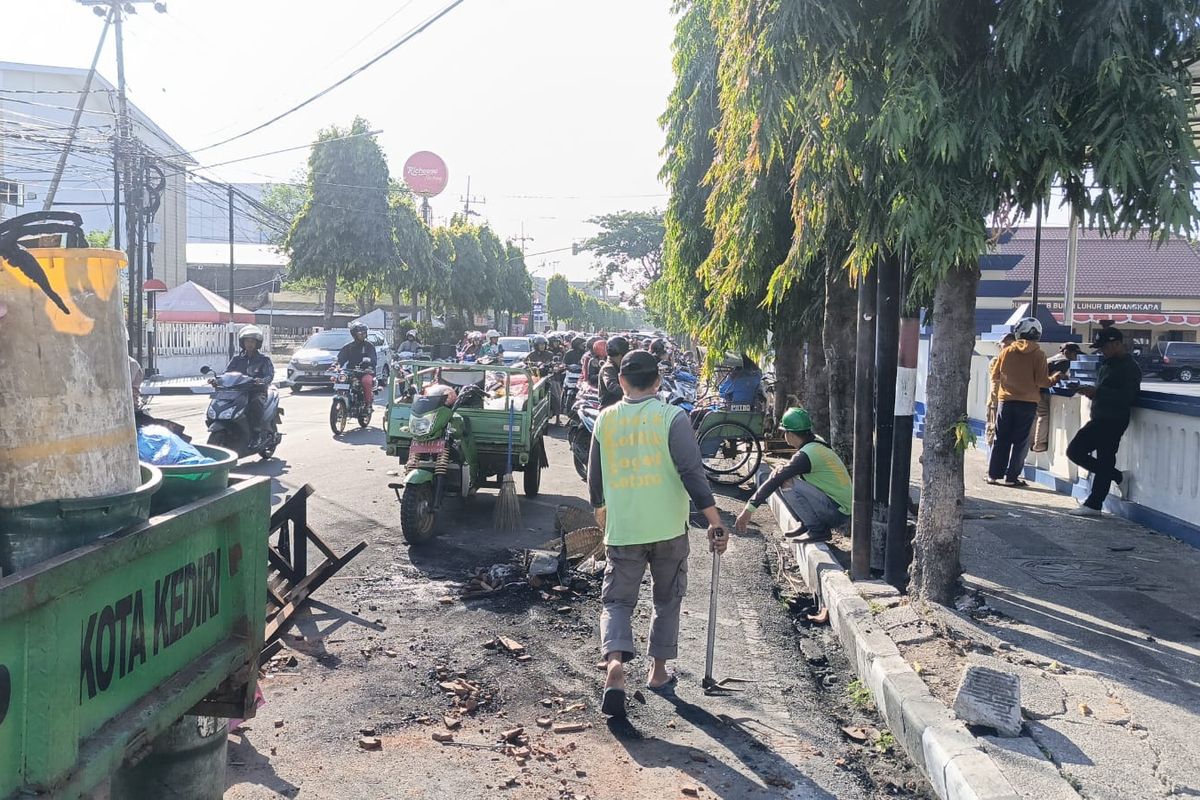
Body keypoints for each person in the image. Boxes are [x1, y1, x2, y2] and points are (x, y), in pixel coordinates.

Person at [587, 350, 727, 718]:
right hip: (668, 529)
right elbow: (692, 472)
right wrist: (714, 519)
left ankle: (615, 663)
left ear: (621, 382)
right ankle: (658, 671)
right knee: (667, 599)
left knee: (617, 601)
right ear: (658, 382)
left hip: (624, 530)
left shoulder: (604, 420)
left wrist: (603, 512)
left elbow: (594, 482)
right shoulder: (672, 418)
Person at [734, 407, 851, 543]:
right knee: (783, 475)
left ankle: (817, 530)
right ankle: (806, 523)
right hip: (839, 508)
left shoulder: (807, 454)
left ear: (789, 434)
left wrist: (748, 510)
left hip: (837, 512)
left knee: (786, 483)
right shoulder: (816, 442)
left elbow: (776, 480)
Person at [1066, 327, 1141, 516]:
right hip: (1100, 416)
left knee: (1078, 451)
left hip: (1114, 419)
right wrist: (1091, 392)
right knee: (1100, 458)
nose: (1102, 351)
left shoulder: (1129, 367)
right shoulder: (1107, 364)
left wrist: (1097, 392)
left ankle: (1096, 501)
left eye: (1105, 347)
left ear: (1117, 344)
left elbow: (1127, 396)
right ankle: (1101, 495)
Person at [986, 318, 1066, 486]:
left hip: (1006, 401)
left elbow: (995, 375)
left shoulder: (1006, 352)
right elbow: (1042, 382)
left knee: (1001, 439)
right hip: (1028, 403)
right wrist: (1055, 378)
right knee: (1020, 442)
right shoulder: (1039, 354)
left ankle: (993, 475)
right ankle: (1012, 478)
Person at [218, 325, 275, 447]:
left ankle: (256, 435)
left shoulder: (264, 360)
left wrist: (261, 381)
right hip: (237, 392)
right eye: (247, 341)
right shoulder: (237, 359)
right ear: (242, 342)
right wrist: (217, 381)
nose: (249, 344)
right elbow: (226, 373)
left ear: (257, 343)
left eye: (252, 341)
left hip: (256, 391)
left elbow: (269, 376)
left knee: (255, 403)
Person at [985, 333, 1018, 446]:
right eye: (1005, 344)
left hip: (1011, 404)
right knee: (993, 432)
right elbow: (996, 384)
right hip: (996, 403)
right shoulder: (996, 361)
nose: (1008, 347)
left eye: (1011, 344)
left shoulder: (1018, 362)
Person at [337, 321, 377, 399]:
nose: (363, 335)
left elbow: (373, 359)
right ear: (354, 334)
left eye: (364, 333)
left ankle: (367, 404)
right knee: (340, 379)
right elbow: (340, 359)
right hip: (351, 372)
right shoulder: (348, 347)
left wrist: (369, 364)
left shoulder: (369, 346)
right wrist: (335, 366)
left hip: (365, 372)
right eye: (360, 333)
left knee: (367, 381)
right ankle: (342, 396)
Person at [598, 335, 628, 408]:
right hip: (609, 410)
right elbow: (612, 386)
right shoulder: (608, 368)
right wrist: (631, 393)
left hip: (621, 407)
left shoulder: (621, 366)